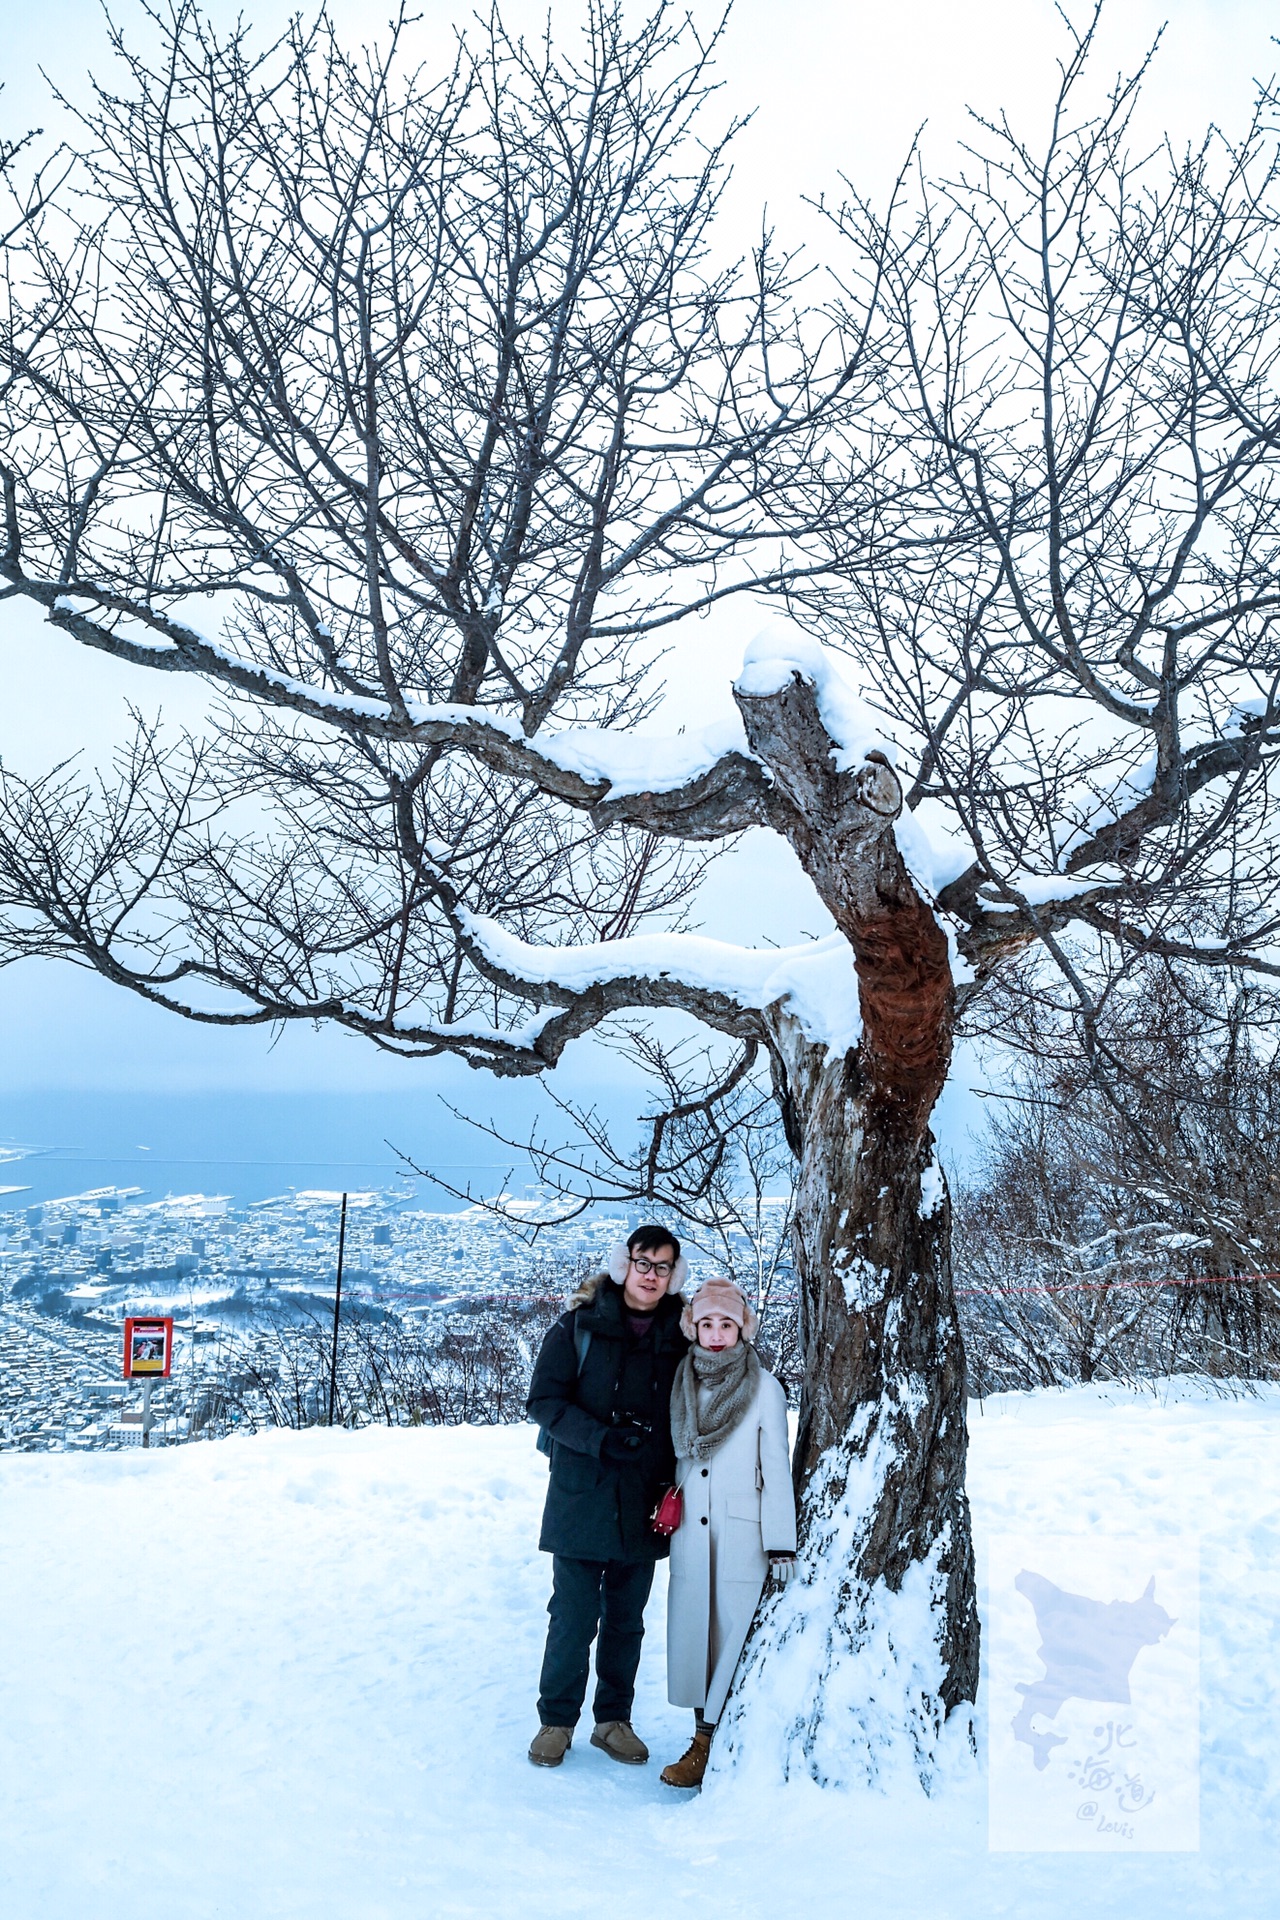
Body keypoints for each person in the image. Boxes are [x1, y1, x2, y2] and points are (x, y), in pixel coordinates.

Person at [525, 1223, 690, 1769]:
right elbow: (544, 1401)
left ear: (673, 1275)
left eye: (663, 1267)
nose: (651, 1276)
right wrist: (599, 1439)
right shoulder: (580, 1326)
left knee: (626, 1618)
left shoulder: (681, 1335)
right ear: (625, 1265)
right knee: (572, 1614)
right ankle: (556, 1721)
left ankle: (613, 1721)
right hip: (581, 1493)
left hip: (644, 1498)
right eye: (644, 1263)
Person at [660, 1277, 797, 1790]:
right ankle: (698, 1731)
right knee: (696, 1638)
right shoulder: (681, 1382)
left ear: (742, 1328)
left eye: (726, 1324)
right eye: (707, 1323)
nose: (716, 1334)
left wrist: (780, 1541)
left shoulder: (763, 1387)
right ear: (692, 1327)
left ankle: (707, 1742)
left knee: (731, 1636)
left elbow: (776, 1467)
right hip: (693, 1534)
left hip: (743, 1535)